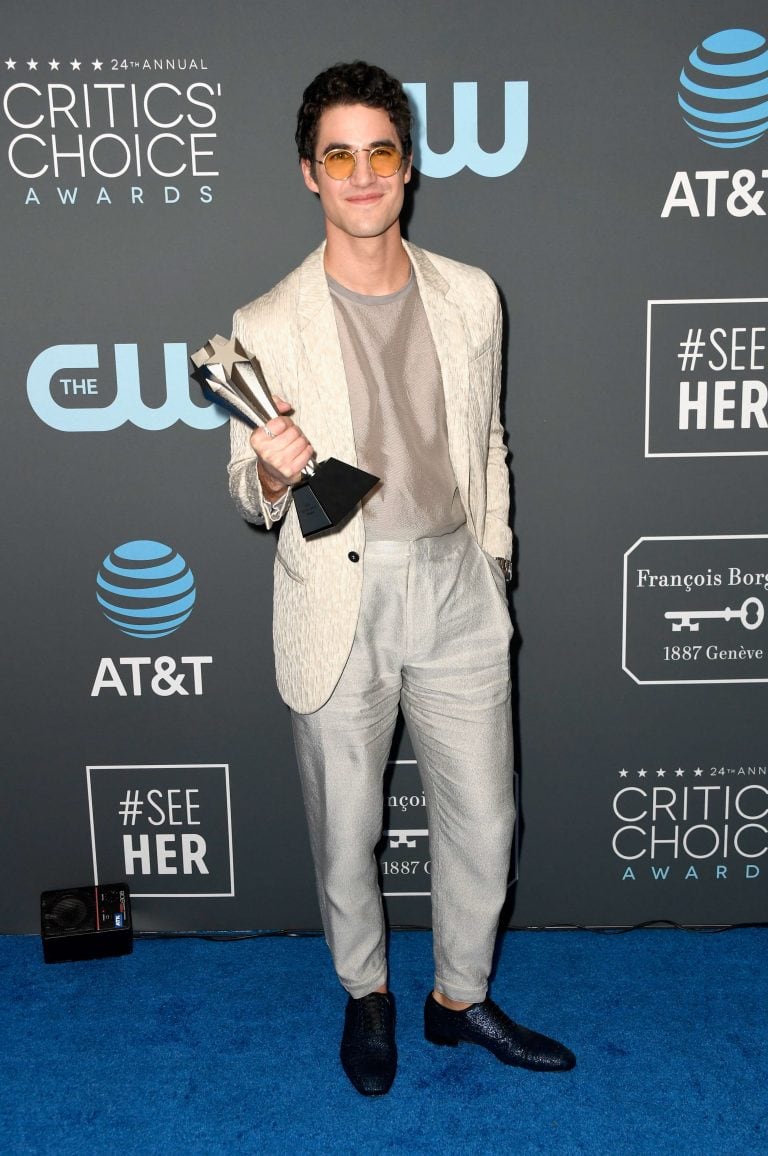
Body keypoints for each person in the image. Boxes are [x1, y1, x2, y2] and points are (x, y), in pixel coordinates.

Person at [227, 60, 575, 1095]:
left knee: (487, 816)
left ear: (409, 166)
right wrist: (269, 475)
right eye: (340, 154)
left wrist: (496, 559)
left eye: (381, 151)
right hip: (342, 594)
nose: (363, 173)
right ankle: (367, 994)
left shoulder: (472, 295)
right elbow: (246, 492)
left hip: (457, 584)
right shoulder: (266, 321)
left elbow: (492, 440)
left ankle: (456, 998)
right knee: (348, 826)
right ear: (309, 174)